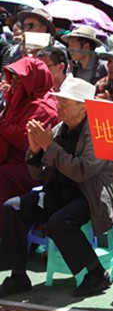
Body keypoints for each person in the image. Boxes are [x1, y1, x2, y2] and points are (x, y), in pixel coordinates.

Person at [0, 78, 113, 298]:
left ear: (84, 106)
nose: (58, 106)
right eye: (59, 100)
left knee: (59, 221)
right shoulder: (58, 130)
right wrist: (35, 152)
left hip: (90, 196)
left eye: (65, 102)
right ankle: (18, 276)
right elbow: (38, 175)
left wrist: (48, 146)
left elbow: (81, 171)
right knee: (13, 207)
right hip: (59, 192)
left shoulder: (99, 133)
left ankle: (96, 273)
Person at [0, 57, 58, 232]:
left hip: (29, 167)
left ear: (33, 80)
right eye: (13, 77)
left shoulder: (45, 107)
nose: (14, 82)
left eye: (19, 79)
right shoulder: (17, 99)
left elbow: (26, 140)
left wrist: (3, 126)